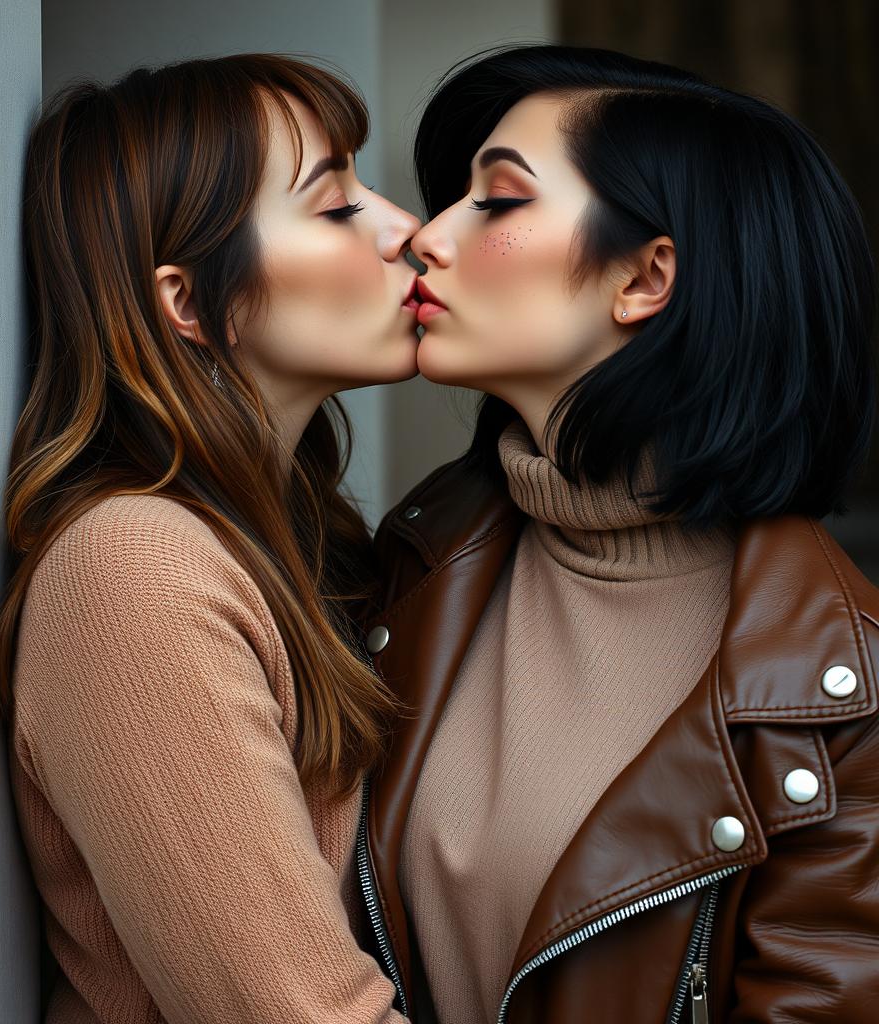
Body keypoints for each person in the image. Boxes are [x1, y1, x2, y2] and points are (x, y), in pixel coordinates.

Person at [362, 44, 879, 1023]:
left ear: (644, 278)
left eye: (498, 200)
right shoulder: (405, 562)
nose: (424, 237)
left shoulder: (842, 710)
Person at [0, 53, 420, 1023]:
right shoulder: (131, 567)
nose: (406, 229)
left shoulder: (297, 541)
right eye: (337, 206)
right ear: (187, 302)